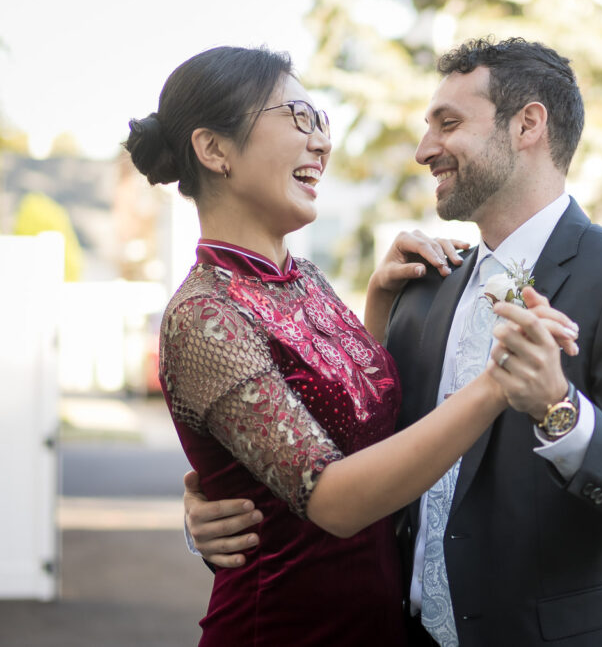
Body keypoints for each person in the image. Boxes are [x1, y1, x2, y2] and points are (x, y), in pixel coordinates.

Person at [185, 37, 602, 646]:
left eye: (448, 124)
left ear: (527, 125)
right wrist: (216, 495)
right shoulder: (422, 290)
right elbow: (342, 450)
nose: (424, 150)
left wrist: (559, 410)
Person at [126, 45, 577, 646]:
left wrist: (380, 308)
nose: (321, 143)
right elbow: (332, 500)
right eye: (298, 118)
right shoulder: (205, 315)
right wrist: (497, 384)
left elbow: (346, 419)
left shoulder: (303, 279)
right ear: (214, 150)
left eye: (322, 121)